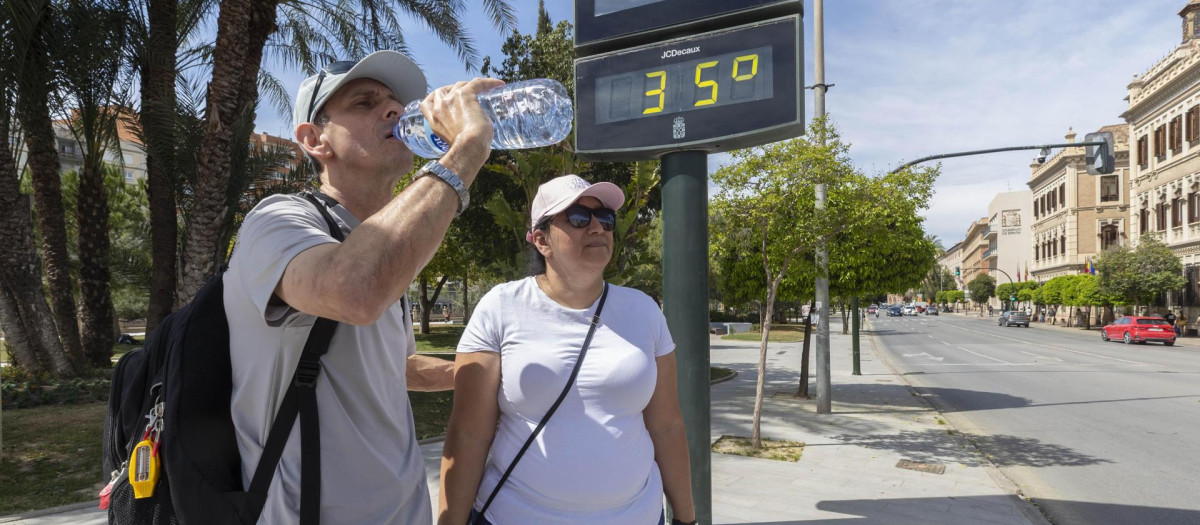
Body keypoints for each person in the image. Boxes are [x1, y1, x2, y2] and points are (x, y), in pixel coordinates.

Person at [223, 51, 503, 524]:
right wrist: (469, 146)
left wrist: (479, 373)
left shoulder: (389, 250)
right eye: (364, 102)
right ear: (314, 140)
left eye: (395, 101)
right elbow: (354, 292)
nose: (392, 110)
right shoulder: (277, 221)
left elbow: (397, 365)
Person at [438, 175, 697, 525]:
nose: (597, 228)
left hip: (637, 516)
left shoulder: (644, 311)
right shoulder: (500, 307)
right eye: (578, 218)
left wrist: (686, 518)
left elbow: (666, 425)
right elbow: (469, 432)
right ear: (541, 240)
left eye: (605, 219)